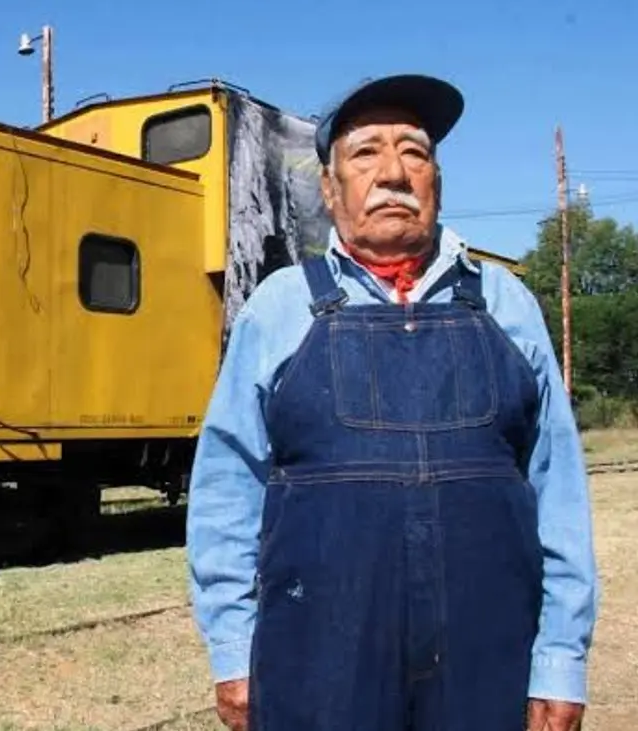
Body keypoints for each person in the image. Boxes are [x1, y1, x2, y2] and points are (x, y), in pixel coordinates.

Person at [185, 73, 599, 731]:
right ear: (329, 187)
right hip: (319, 661)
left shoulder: (506, 303)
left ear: (436, 178)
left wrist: (559, 661)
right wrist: (234, 651)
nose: (394, 172)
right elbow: (226, 491)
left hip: (488, 658)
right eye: (366, 152)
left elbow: (558, 491)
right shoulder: (280, 307)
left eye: (414, 150)